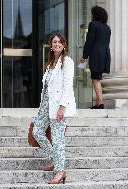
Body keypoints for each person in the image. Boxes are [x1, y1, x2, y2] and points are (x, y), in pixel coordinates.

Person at [32, 33, 76, 184]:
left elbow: (67, 86)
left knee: (58, 139)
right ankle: (53, 156)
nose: (57, 44)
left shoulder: (67, 62)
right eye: (54, 42)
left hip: (58, 106)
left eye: (59, 42)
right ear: (51, 45)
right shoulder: (51, 63)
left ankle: (60, 171)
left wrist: (62, 107)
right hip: (45, 105)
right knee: (36, 131)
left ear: (64, 45)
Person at [80, 6, 111, 109]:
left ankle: (100, 103)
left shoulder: (93, 24)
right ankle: (98, 104)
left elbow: (89, 42)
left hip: (96, 56)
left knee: (95, 79)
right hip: (105, 56)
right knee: (97, 78)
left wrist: (84, 56)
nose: (91, 15)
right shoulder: (107, 27)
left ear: (95, 15)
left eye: (92, 13)